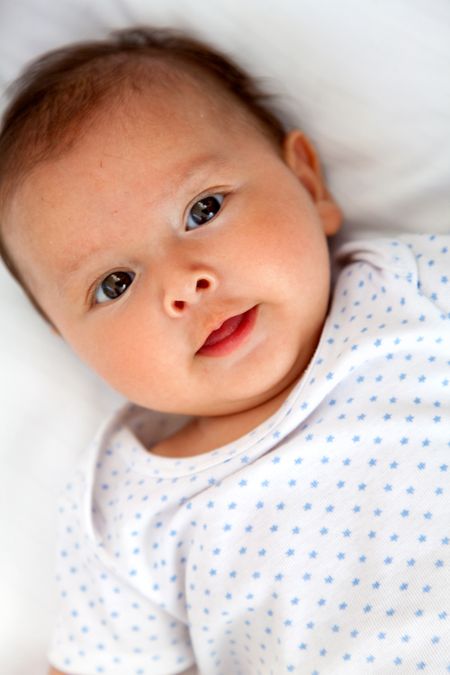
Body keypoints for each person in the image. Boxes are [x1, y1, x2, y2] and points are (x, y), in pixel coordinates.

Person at [0, 26, 448, 675]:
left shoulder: (411, 289)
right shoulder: (130, 507)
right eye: (115, 283)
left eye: (203, 208)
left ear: (308, 183)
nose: (184, 283)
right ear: (70, 342)